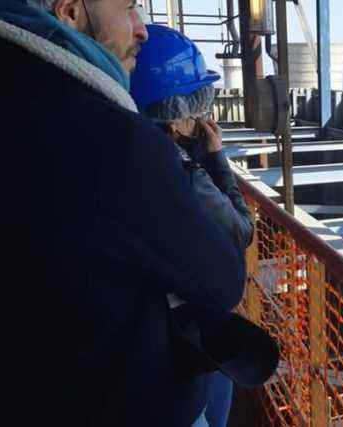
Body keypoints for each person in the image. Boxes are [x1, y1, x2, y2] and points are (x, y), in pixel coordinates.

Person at [0, 0, 250, 425]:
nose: (141, 29)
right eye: (128, 7)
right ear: (69, 10)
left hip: (25, 402)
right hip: (132, 407)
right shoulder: (114, 141)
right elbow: (223, 281)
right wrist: (213, 161)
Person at [129, 24, 255, 427]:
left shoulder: (120, 156)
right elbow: (241, 231)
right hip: (182, 344)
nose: (199, 114)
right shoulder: (178, 171)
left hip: (133, 348)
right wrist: (214, 161)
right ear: (175, 111)